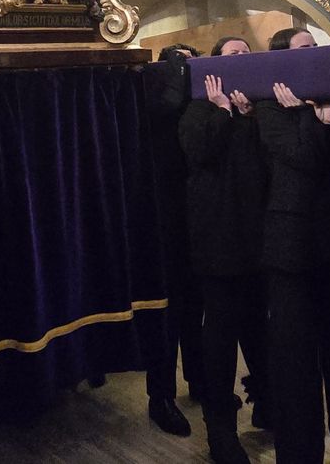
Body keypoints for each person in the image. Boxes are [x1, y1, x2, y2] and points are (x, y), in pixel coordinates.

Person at [259, 28, 330, 464]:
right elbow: (301, 160)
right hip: (293, 253)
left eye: (316, 47)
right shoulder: (270, 107)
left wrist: (324, 119)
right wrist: (307, 118)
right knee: (297, 367)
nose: (315, 54)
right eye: (305, 49)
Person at [178, 35, 268, 464]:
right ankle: (221, 431)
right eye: (234, 54)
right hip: (218, 244)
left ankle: (267, 404)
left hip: (257, 242)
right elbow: (200, 154)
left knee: (259, 331)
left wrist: (248, 116)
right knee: (221, 340)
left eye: (248, 54)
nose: (243, 59)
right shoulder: (197, 110)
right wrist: (222, 113)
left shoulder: (257, 108)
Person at [141, 42, 202, 437]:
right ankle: (160, 396)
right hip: (163, 221)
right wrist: (178, 67)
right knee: (167, 315)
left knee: (197, 310)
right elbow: (166, 110)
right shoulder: (156, 99)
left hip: (200, 220)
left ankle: (201, 382)